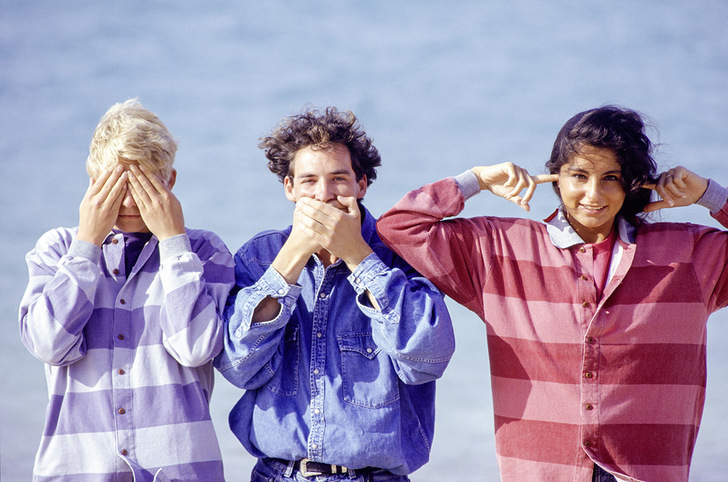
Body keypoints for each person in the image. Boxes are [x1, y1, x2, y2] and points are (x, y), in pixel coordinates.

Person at [376, 105, 728, 482]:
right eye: (580, 175)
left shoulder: (688, 255)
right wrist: (475, 179)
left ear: (634, 183)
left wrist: (711, 195)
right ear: (556, 177)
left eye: (611, 177)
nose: (594, 193)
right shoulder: (502, 250)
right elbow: (399, 227)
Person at [214, 106, 454, 481]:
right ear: (289, 188)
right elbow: (237, 366)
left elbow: (427, 358)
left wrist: (358, 255)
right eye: (308, 180)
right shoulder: (259, 256)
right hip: (275, 474)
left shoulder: (402, 254)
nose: (323, 195)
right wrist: (292, 256)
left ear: (361, 184)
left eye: (338, 179)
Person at [19, 99, 235, 481]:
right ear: (92, 179)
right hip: (77, 470)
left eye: (146, 183)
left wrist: (173, 242)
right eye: (119, 185)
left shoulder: (203, 251)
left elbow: (196, 347)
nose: (132, 201)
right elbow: (49, 344)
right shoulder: (57, 250)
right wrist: (86, 245)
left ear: (169, 181)